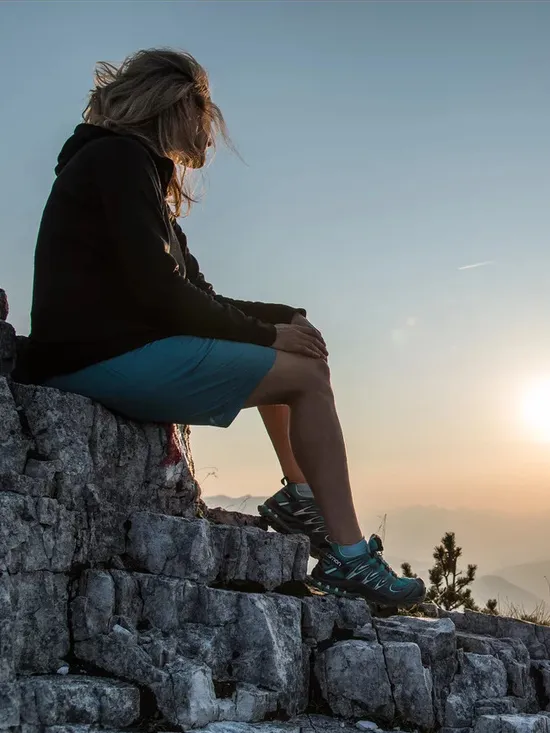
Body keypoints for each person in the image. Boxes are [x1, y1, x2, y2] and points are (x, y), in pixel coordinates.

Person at [16, 48, 425, 607]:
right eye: (207, 114)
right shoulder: (117, 162)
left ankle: (302, 498)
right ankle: (350, 558)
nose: (211, 132)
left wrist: (281, 317)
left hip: (110, 350)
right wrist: (267, 336)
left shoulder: (131, 168)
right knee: (303, 377)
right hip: (95, 359)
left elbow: (197, 295)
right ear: (181, 105)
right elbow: (162, 294)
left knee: (294, 349)